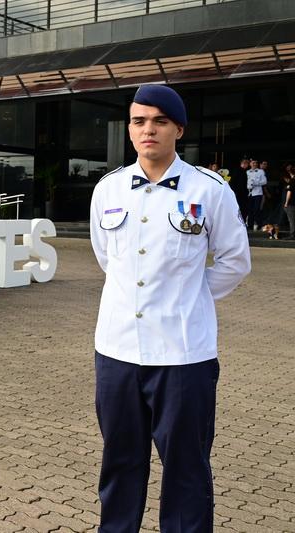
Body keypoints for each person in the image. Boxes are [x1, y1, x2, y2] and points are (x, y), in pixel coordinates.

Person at [89, 84, 251, 532]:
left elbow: (235, 261)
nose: (149, 130)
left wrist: (189, 297)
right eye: (139, 121)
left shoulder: (210, 189)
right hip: (117, 351)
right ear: (129, 129)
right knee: (119, 464)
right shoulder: (108, 189)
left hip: (183, 355)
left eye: (160, 121)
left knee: (186, 469)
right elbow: (107, 258)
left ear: (179, 129)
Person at [247, 159, 267, 230]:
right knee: (250, 210)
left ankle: (259, 224)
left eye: (256, 163)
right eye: (253, 163)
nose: (254, 164)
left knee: (256, 209)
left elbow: (264, 181)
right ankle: (250, 225)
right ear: (250, 164)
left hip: (258, 193)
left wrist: (255, 183)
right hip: (249, 193)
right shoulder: (247, 172)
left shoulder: (260, 171)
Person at [230, 158, 249, 223]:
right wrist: (235, 192)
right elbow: (232, 182)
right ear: (242, 163)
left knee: (244, 209)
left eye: (247, 163)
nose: (247, 164)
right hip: (238, 194)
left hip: (244, 194)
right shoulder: (237, 171)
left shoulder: (246, 171)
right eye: (245, 163)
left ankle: (242, 222)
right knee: (239, 209)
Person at [285, 166, 295, 239]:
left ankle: (292, 234)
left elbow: (289, 193)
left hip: (291, 203)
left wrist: (286, 202)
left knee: (291, 220)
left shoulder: (292, 181)